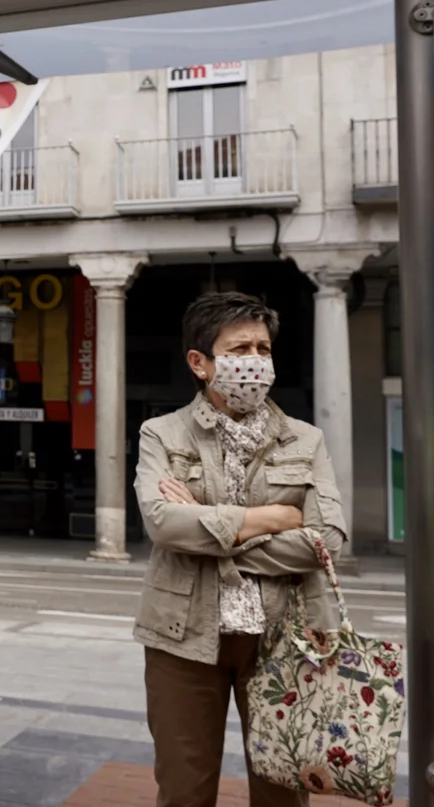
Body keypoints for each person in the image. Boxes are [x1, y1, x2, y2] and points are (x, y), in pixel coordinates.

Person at [133, 292, 349, 807]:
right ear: (200, 363)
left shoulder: (305, 440)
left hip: (284, 639)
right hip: (181, 639)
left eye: (263, 348)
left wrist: (212, 534)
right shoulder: (161, 434)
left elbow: (328, 540)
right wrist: (268, 520)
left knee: (283, 793)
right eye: (240, 349)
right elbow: (162, 524)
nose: (255, 361)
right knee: (184, 790)